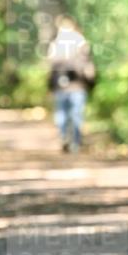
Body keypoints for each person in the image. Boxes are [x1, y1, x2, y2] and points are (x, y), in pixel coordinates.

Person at [46, 15, 96, 153]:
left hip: (62, 86)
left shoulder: (56, 45)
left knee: (63, 115)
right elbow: (89, 67)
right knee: (75, 114)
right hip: (78, 86)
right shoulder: (81, 42)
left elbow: (51, 69)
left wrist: (50, 86)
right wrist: (91, 84)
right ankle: (75, 142)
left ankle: (66, 138)